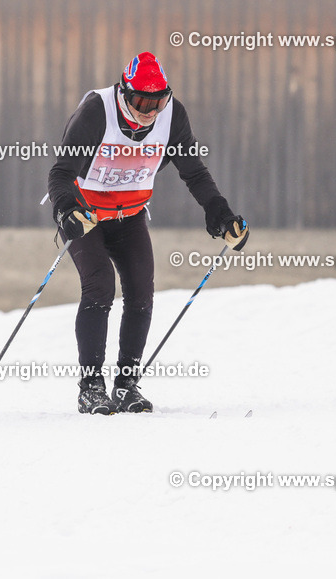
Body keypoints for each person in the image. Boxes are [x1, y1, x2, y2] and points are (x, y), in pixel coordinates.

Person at [47, 51, 248, 415]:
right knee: (100, 287)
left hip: (130, 215)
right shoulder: (96, 111)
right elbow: (61, 173)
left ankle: (126, 386)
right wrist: (66, 210)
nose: (149, 111)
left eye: (158, 101)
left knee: (141, 291)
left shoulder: (173, 117)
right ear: (125, 93)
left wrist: (220, 214)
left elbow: (195, 172)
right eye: (141, 101)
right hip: (86, 214)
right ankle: (91, 387)